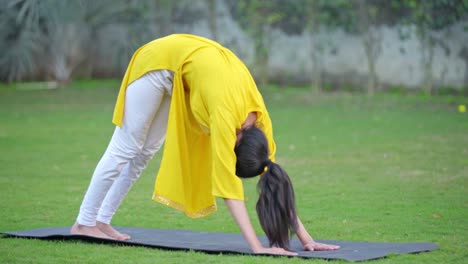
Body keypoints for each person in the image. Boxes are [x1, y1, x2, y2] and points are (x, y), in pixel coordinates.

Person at [70, 34, 339, 255]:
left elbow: (276, 180)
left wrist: (306, 239)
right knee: (126, 147)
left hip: (181, 71)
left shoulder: (261, 125)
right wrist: (257, 248)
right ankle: (84, 222)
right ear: (237, 139)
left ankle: (101, 220)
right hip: (158, 62)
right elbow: (228, 188)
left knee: (144, 153)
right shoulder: (226, 116)